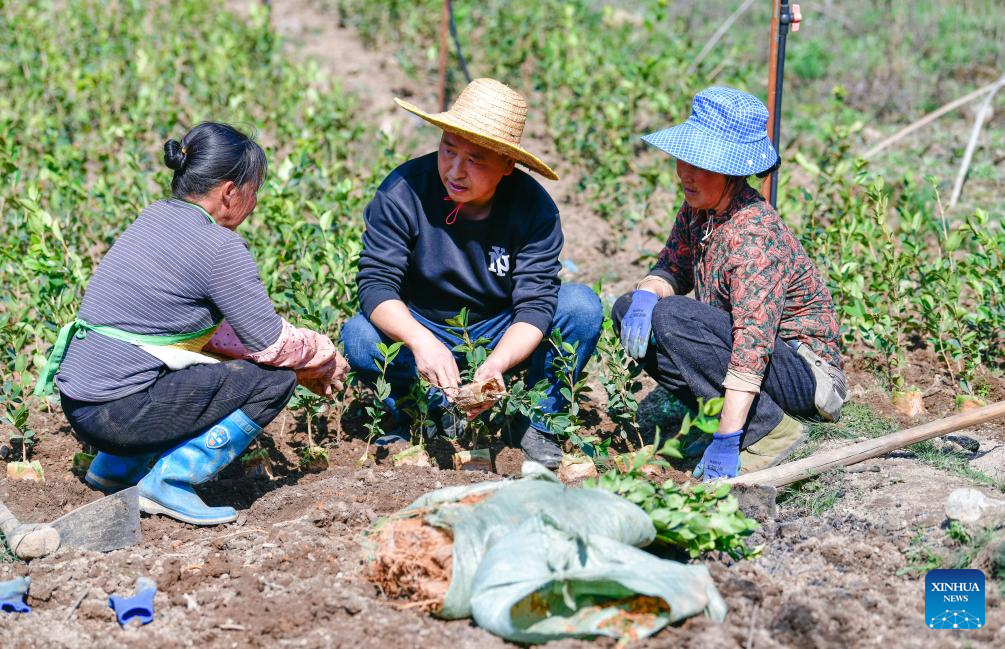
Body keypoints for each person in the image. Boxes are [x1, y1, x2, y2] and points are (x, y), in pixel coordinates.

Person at [36, 122, 348, 525]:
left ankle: (116, 468)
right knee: (274, 380)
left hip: (80, 404)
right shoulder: (219, 246)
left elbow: (201, 330)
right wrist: (320, 354)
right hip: (120, 415)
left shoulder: (155, 217)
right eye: (255, 189)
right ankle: (170, 482)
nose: (255, 202)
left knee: (195, 366)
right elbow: (272, 344)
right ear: (230, 192)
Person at [341, 78, 603, 468]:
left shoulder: (534, 208)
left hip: (501, 326)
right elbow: (376, 284)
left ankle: (539, 422)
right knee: (360, 337)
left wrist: (496, 363)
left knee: (581, 307)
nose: (455, 171)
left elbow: (535, 305)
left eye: (476, 160)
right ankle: (424, 414)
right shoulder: (404, 190)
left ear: (507, 166)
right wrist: (420, 341)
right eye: (448, 150)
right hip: (424, 322)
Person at [614, 87, 848, 480]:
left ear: (731, 170)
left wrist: (727, 438)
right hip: (757, 357)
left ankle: (766, 431)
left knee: (671, 316)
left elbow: (752, 345)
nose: (686, 173)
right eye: (683, 159)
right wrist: (644, 295)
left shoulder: (753, 237)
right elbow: (672, 268)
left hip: (804, 369)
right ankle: (726, 420)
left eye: (701, 164)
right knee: (632, 307)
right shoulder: (700, 210)